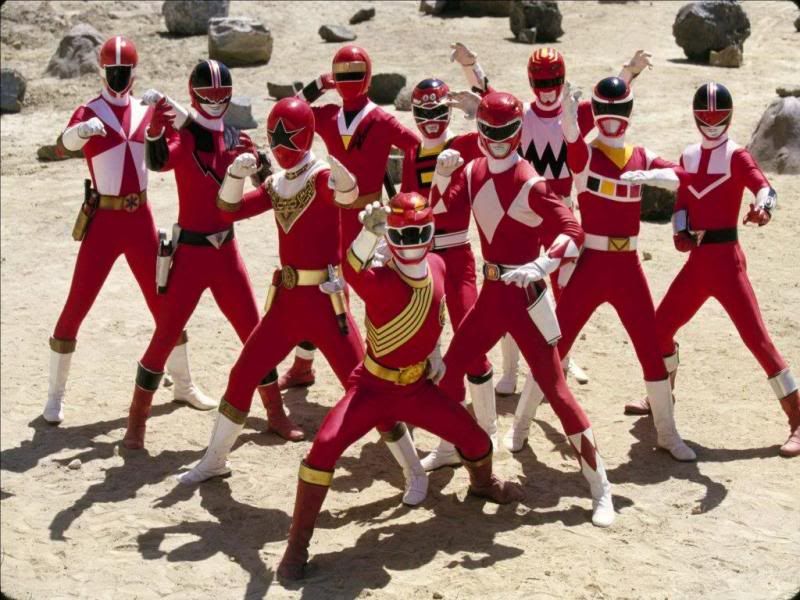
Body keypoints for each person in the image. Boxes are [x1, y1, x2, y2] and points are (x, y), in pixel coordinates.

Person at [178, 98, 430, 503]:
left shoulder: (320, 176)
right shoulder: (279, 183)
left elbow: (344, 195)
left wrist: (345, 182)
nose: (281, 148)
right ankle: (214, 459)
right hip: (287, 304)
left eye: (289, 138)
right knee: (242, 375)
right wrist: (235, 175)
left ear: (307, 136)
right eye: (275, 139)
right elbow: (228, 211)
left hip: (326, 305)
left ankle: (414, 470)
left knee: (369, 391)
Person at [277, 192, 525, 581]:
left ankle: (482, 483)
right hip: (372, 388)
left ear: (431, 233)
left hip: (416, 388)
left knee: (477, 442)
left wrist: (434, 356)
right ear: (390, 236)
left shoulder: (438, 265)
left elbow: (435, 316)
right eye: (402, 235)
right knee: (322, 449)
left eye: (419, 234)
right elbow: (351, 269)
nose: (411, 243)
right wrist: (367, 234)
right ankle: (297, 544)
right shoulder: (380, 280)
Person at [432, 92, 615, 528]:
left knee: (556, 389)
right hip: (492, 295)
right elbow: (443, 214)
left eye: (506, 132)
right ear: (479, 131)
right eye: (489, 132)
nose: (497, 141)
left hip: (526, 296)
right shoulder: (473, 171)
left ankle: (600, 486)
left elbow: (573, 229)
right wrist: (439, 177)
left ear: (518, 132)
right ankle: (453, 450)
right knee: (450, 373)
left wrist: (543, 263)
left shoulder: (529, 180)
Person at [506, 79, 696, 462]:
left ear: (630, 112)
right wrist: (569, 121)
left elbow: (684, 175)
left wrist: (655, 177)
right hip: (591, 263)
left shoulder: (640, 155)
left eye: (619, 111)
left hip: (628, 267)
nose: (611, 120)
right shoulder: (587, 155)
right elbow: (573, 145)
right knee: (554, 348)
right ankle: (520, 425)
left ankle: (667, 432)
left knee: (649, 348)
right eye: (604, 112)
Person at [450, 42, 652, 400]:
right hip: (524, 212)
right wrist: (471, 65)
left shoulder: (575, 112)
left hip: (560, 212)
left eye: (554, 81)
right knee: (511, 287)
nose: (547, 90)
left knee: (566, 292)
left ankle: (562, 362)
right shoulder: (523, 114)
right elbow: (489, 98)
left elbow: (610, 99)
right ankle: (511, 371)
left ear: (562, 79)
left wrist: (629, 72)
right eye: (541, 82)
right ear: (532, 82)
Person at [621, 82, 799, 457]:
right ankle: (662, 395)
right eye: (706, 117)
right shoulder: (688, 156)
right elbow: (682, 203)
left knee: (758, 340)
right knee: (659, 329)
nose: (712, 124)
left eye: (718, 118)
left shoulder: (737, 156)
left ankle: (798, 417)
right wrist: (680, 230)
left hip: (728, 262)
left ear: (729, 118)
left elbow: (764, 188)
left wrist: (763, 209)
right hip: (699, 263)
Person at [45, 35, 212, 426]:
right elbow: (62, 144)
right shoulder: (89, 110)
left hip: (140, 221)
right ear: (102, 70)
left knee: (166, 304)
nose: (118, 77)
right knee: (77, 304)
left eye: (124, 70)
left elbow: (186, 136)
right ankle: (55, 395)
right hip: (104, 221)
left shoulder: (144, 110)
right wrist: (81, 131)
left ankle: (183, 383)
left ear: (134, 71)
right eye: (113, 70)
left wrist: (167, 107)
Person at [122, 60, 269, 450]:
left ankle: (276, 411)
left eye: (222, 95)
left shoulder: (236, 136)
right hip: (191, 253)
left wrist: (261, 164)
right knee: (165, 335)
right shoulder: (187, 138)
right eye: (209, 96)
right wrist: (155, 131)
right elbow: (160, 160)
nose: (216, 102)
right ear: (194, 95)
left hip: (226, 251)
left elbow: (269, 185)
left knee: (254, 332)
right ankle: (136, 423)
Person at [279, 45, 421, 390]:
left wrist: (408, 195)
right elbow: (287, 116)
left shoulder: (378, 119)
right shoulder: (330, 116)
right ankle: (303, 366)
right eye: (341, 75)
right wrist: (317, 84)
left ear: (368, 77)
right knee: (319, 291)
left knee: (373, 293)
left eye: (354, 74)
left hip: (367, 220)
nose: (347, 81)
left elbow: (415, 145)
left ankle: (380, 363)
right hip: (330, 218)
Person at [400, 77, 496, 470]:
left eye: (439, 111)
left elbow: (508, 134)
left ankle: (487, 431)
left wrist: (482, 108)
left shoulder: (466, 143)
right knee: (426, 345)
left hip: (457, 255)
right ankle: (445, 440)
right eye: (423, 113)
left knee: (470, 340)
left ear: (449, 111)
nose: (431, 121)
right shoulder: (412, 151)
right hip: (423, 259)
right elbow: (410, 203)